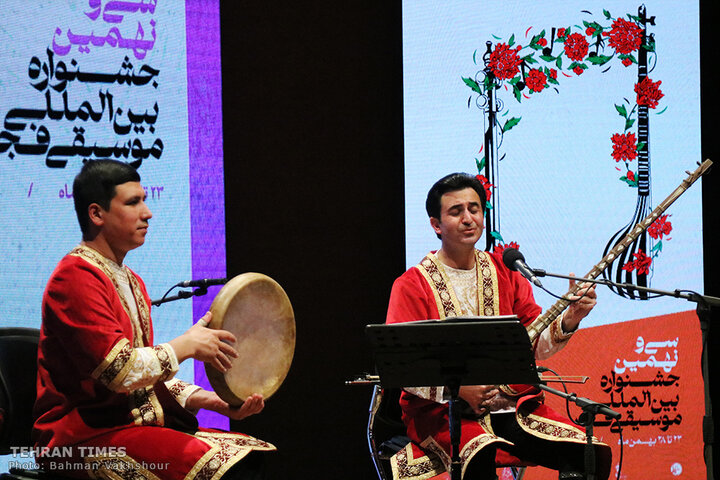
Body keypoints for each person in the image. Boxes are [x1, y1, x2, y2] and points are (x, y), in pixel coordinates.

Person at [33, 160, 275, 479]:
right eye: (133, 202)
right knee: (224, 470)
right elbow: (120, 371)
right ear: (96, 214)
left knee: (251, 455)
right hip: (79, 442)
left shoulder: (132, 281)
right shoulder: (75, 278)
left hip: (124, 429)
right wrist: (185, 346)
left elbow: (142, 379)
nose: (147, 213)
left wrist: (215, 401)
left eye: (144, 200)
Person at [385, 173, 611, 480]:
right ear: (436, 225)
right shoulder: (411, 285)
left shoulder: (506, 272)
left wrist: (571, 317)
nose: (468, 219)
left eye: (474, 209)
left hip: (511, 408)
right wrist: (460, 389)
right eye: (456, 212)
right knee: (480, 454)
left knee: (590, 453)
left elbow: (532, 345)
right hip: (443, 414)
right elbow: (402, 364)